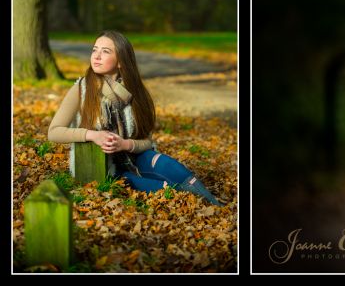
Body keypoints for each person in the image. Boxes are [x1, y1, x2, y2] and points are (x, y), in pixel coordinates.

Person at [48, 30, 223, 206]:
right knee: (168, 188)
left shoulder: (136, 92)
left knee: (171, 166)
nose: (97, 56)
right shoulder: (82, 88)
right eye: (95, 50)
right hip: (102, 168)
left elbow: (147, 142)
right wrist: (93, 135)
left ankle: (218, 208)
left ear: (121, 62)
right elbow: (54, 132)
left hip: (133, 157)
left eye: (106, 51)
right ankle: (208, 210)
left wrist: (125, 144)